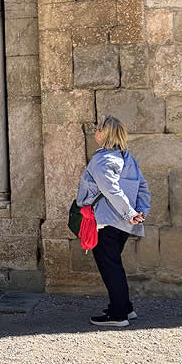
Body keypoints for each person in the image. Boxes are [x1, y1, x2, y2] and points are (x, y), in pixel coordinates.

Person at [76, 114, 150, 328]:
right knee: (114, 264)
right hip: (124, 223)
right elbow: (143, 187)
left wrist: (130, 213)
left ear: (104, 134)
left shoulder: (101, 160)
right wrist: (140, 212)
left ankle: (118, 315)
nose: (95, 132)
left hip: (106, 221)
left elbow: (112, 191)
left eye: (98, 129)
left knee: (110, 267)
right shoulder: (128, 158)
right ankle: (125, 308)